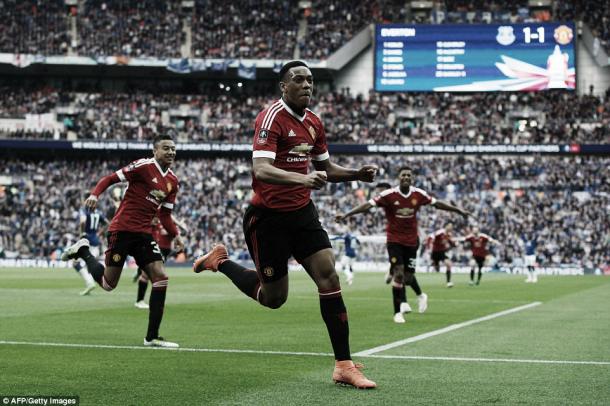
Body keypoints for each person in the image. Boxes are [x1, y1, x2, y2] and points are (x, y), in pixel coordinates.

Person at [193, 61, 377, 389]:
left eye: (310, 80)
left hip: (302, 213)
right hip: (267, 219)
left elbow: (326, 168)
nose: (307, 85)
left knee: (328, 274)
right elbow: (262, 169)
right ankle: (220, 261)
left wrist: (354, 175)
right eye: (299, 80)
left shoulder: (315, 123)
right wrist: (302, 178)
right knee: (273, 298)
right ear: (284, 86)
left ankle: (343, 365)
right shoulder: (271, 118)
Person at [61, 134, 184, 348]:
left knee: (161, 277)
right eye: (166, 148)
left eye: (173, 148)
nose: (171, 152)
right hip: (122, 230)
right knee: (108, 284)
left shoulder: (173, 181)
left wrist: (176, 235)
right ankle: (84, 252)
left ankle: (152, 337)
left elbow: (165, 215)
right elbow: (110, 179)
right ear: (155, 151)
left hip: (144, 234)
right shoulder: (142, 166)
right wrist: (94, 195)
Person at [336, 166, 471, 324]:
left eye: (408, 175)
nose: (406, 177)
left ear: (412, 178)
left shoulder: (418, 194)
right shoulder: (388, 195)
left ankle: (421, 296)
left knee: (407, 278)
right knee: (399, 273)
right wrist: (346, 215)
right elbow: (367, 205)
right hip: (394, 241)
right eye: (403, 175)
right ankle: (397, 312)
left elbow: (438, 204)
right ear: (398, 178)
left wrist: (458, 210)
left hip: (412, 241)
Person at [134, 213, 188, 309]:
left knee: (154, 275)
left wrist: (177, 222)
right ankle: (141, 301)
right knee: (148, 275)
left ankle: (144, 300)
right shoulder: (158, 222)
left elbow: (184, 232)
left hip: (163, 251)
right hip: (154, 248)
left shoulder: (171, 226)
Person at [72, 204, 109, 296]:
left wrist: (82, 233)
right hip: (95, 241)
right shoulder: (98, 213)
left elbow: (83, 221)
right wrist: (99, 233)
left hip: (86, 241)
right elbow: (108, 223)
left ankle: (90, 283)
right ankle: (94, 282)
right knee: (90, 264)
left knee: (76, 263)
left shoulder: (84, 211)